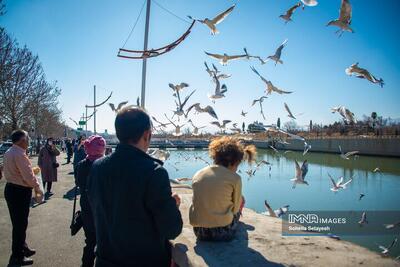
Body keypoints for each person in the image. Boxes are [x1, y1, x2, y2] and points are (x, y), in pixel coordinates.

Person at [87, 107, 183, 267]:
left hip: (105, 260)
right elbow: (172, 229)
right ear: (147, 134)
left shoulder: (97, 167)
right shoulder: (154, 172)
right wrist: (173, 205)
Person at [189, 136, 256, 241]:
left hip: (199, 231)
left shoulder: (198, 174)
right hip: (223, 232)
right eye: (237, 166)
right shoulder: (235, 178)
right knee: (241, 199)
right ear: (233, 162)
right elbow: (236, 208)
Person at [3, 130, 44, 266]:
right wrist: (37, 187)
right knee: (20, 225)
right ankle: (17, 256)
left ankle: (23, 247)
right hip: (19, 192)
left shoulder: (10, 151)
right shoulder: (20, 154)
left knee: (18, 223)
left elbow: (19, 172)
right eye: (27, 138)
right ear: (22, 140)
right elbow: (28, 177)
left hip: (11, 189)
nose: (29, 140)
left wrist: (31, 171)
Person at [75, 135, 106, 267]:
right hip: (103, 211)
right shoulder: (105, 166)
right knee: (104, 243)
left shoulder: (81, 165)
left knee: (90, 242)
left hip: (86, 208)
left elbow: (77, 182)